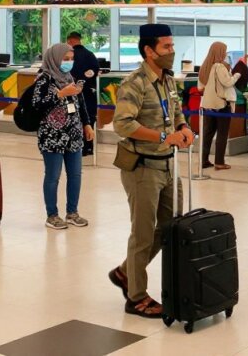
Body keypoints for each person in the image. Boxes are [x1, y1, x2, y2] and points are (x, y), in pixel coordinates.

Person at [108, 23, 194, 319]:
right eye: (166, 47)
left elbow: (176, 111)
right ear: (149, 50)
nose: (172, 52)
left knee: (170, 229)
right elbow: (122, 124)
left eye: (172, 46)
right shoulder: (134, 83)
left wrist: (184, 128)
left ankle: (123, 271)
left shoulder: (168, 80)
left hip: (169, 165)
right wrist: (162, 137)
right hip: (142, 168)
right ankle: (136, 297)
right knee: (142, 235)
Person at [33, 43, 94, 230]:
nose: (69, 62)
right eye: (65, 59)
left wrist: (86, 123)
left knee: (75, 174)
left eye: (71, 59)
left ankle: (72, 212)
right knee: (53, 176)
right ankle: (52, 215)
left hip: (73, 134)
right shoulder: (44, 79)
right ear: (54, 58)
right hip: (52, 136)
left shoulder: (70, 77)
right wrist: (60, 94)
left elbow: (79, 102)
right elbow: (37, 105)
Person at [198, 41, 247, 170]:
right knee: (222, 134)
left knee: (208, 134)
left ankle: (203, 160)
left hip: (208, 105)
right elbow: (227, 82)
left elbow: (200, 87)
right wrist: (237, 75)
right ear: (219, 52)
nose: (225, 53)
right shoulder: (219, 66)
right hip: (221, 104)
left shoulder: (204, 66)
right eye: (224, 50)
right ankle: (219, 162)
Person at [67, 32, 100, 157]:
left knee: (73, 118)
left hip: (72, 93)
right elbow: (95, 71)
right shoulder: (90, 55)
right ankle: (89, 147)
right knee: (89, 120)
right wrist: (84, 81)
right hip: (89, 93)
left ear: (70, 41)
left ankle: (75, 146)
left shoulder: (69, 56)